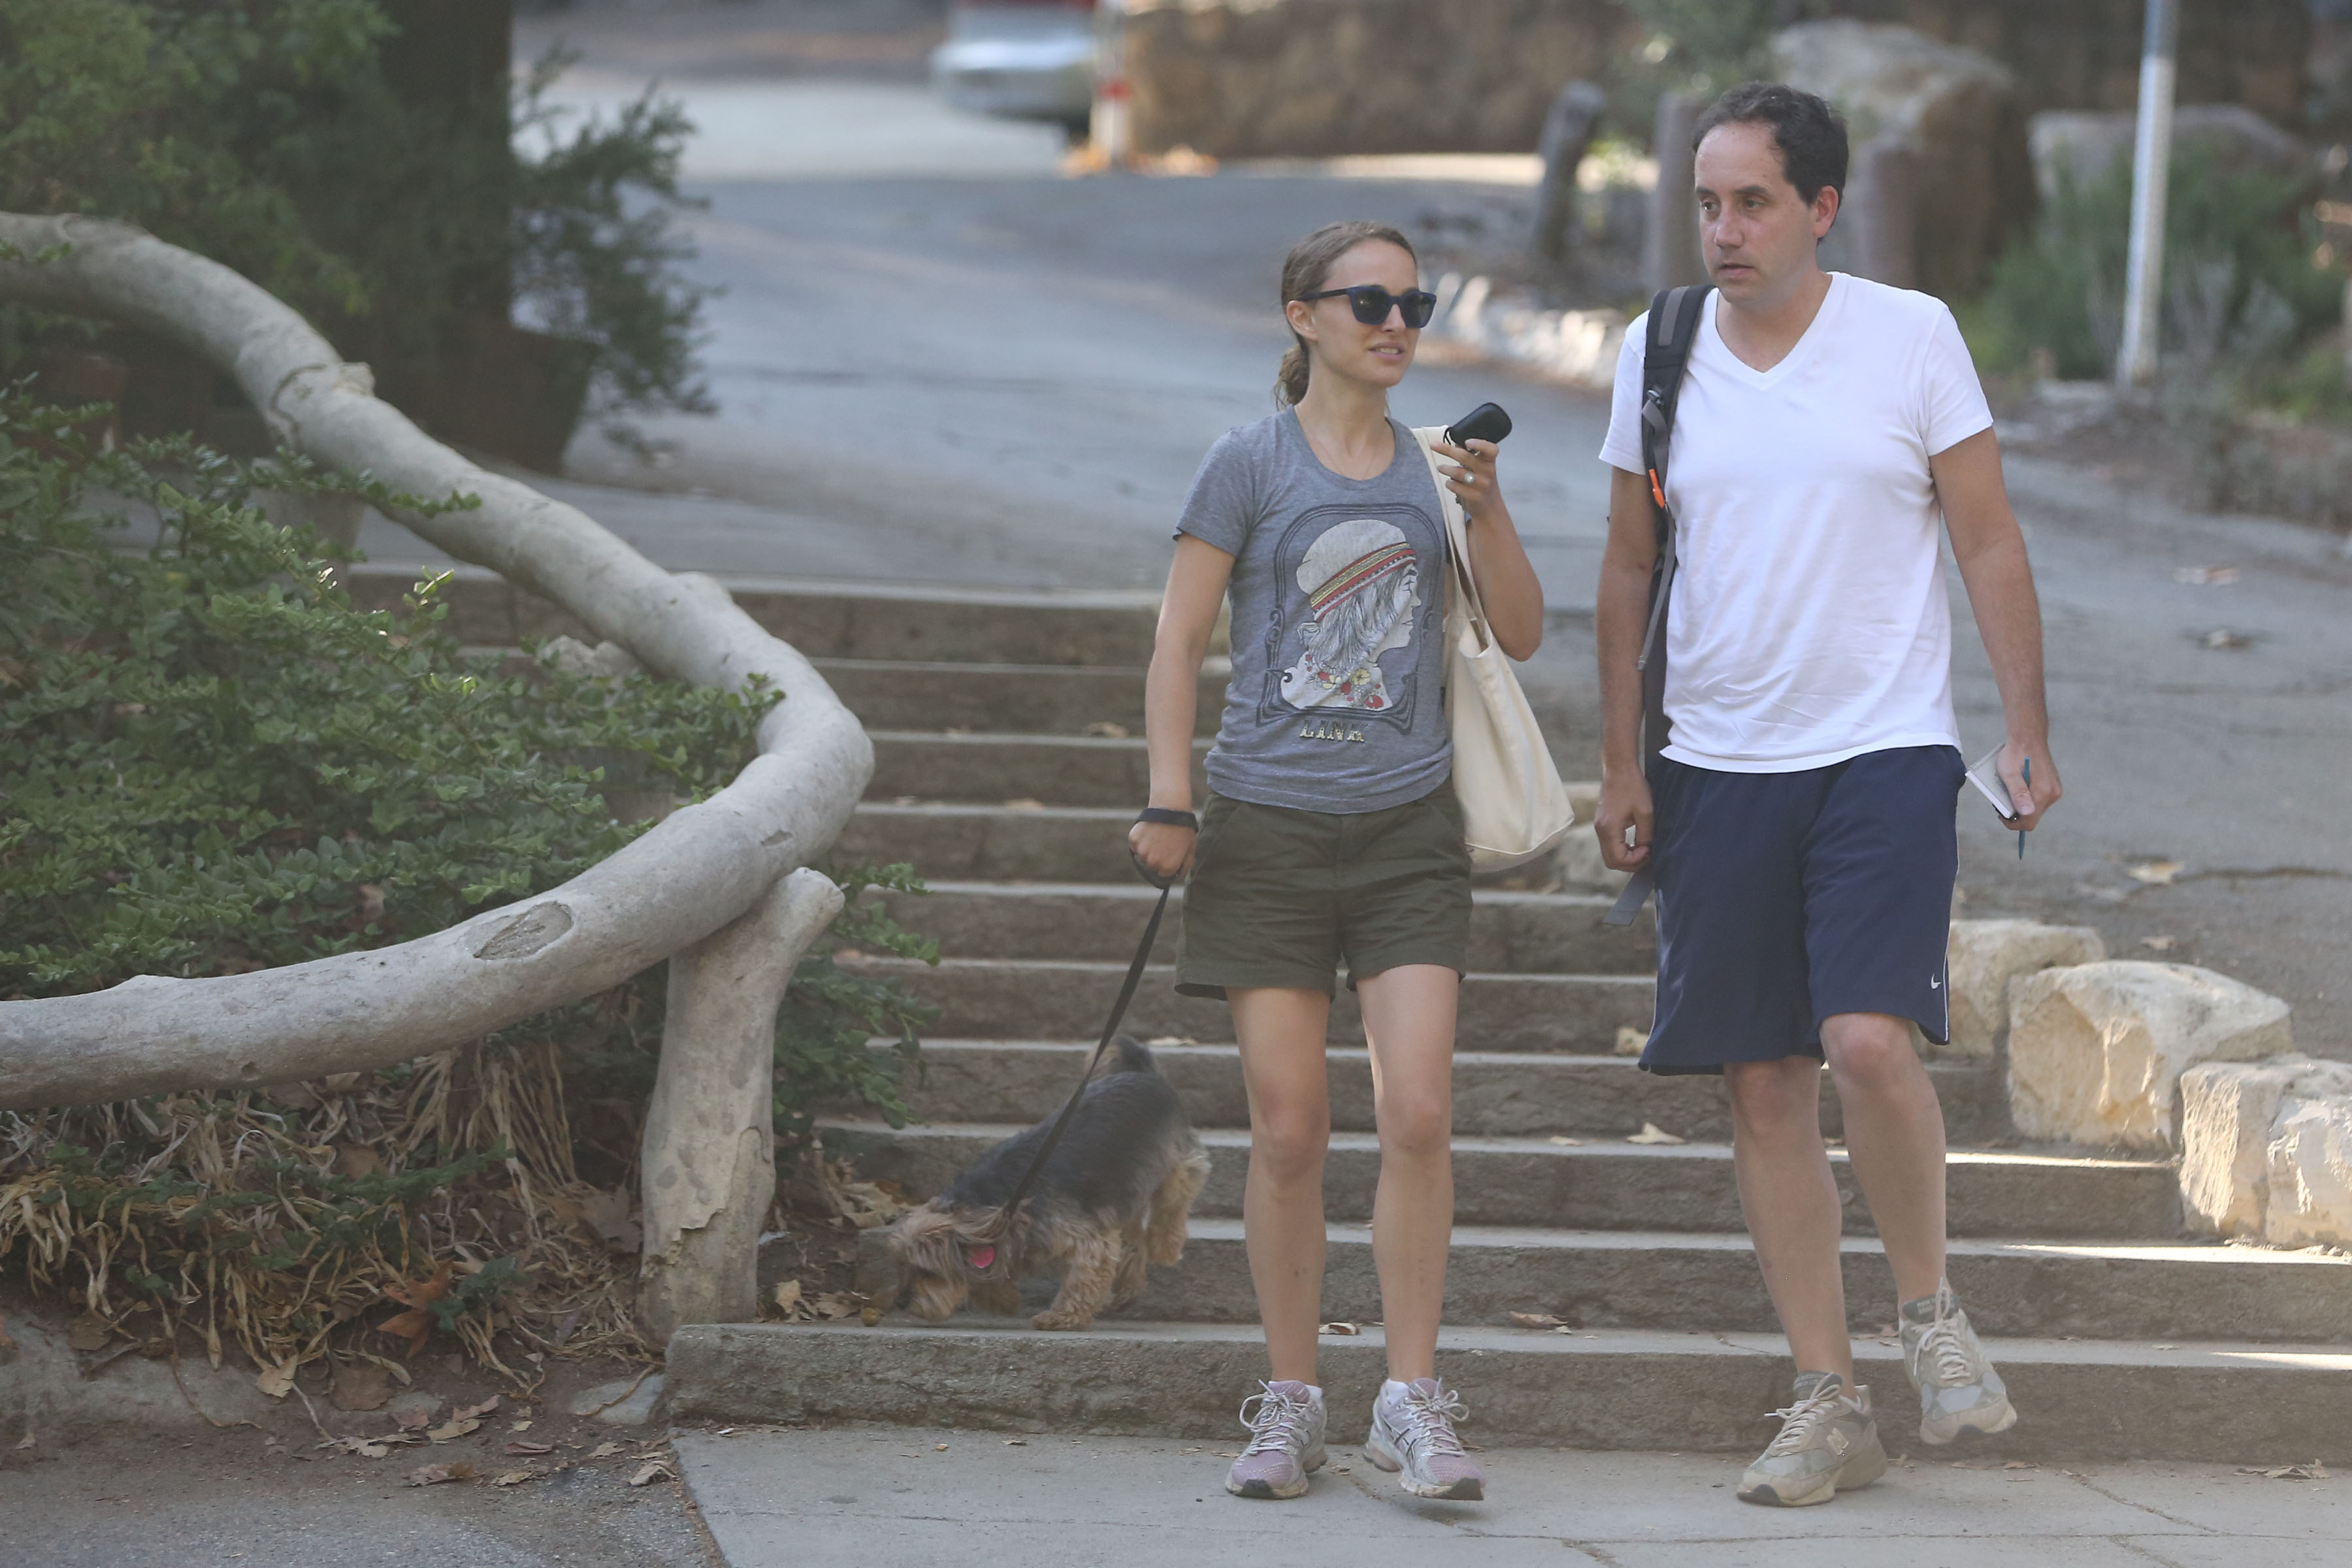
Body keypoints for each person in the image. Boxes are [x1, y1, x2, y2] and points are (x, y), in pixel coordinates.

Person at [1593, 84, 2063, 1509]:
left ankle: (1925, 1310)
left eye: (1751, 203)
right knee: (1761, 1077)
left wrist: (2026, 728)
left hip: (1884, 746)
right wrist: (1621, 757)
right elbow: (1626, 566)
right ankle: (1827, 1396)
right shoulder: (1658, 348)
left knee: (1866, 1037)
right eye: (1706, 202)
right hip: (1716, 757)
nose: (1723, 230)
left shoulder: (1909, 336)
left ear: (1820, 209)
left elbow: (1986, 539)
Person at [1129, 219, 1544, 1503]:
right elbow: (1179, 639)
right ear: (1303, 316)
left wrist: (1493, 507)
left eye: (1414, 303)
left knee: (1418, 1110)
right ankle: (1294, 1401)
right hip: (1265, 828)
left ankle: (1411, 1401)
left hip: (1409, 829)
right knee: (1291, 1127)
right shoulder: (1245, 462)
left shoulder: (1437, 471)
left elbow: (1521, 634)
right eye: (1369, 300)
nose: (1397, 322)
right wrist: (1170, 799)